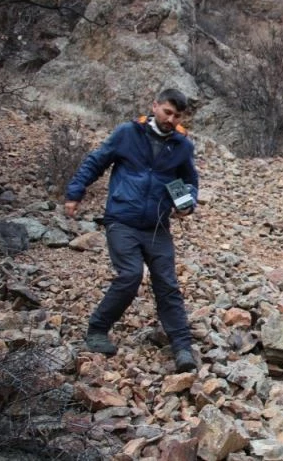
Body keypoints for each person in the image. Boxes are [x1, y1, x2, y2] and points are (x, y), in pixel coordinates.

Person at [65, 88, 199, 373]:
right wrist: (75, 192)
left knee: (167, 283)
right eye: (167, 112)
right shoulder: (127, 133)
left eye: (176, 116)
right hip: (122, 219)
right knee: (130, 275)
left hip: (157, 225)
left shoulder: (182, 146)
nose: (170, 119)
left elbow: (190, 181)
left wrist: (188, 203)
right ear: (155, 106)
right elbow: (96, 161)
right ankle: (98, 329)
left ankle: (182, 346)